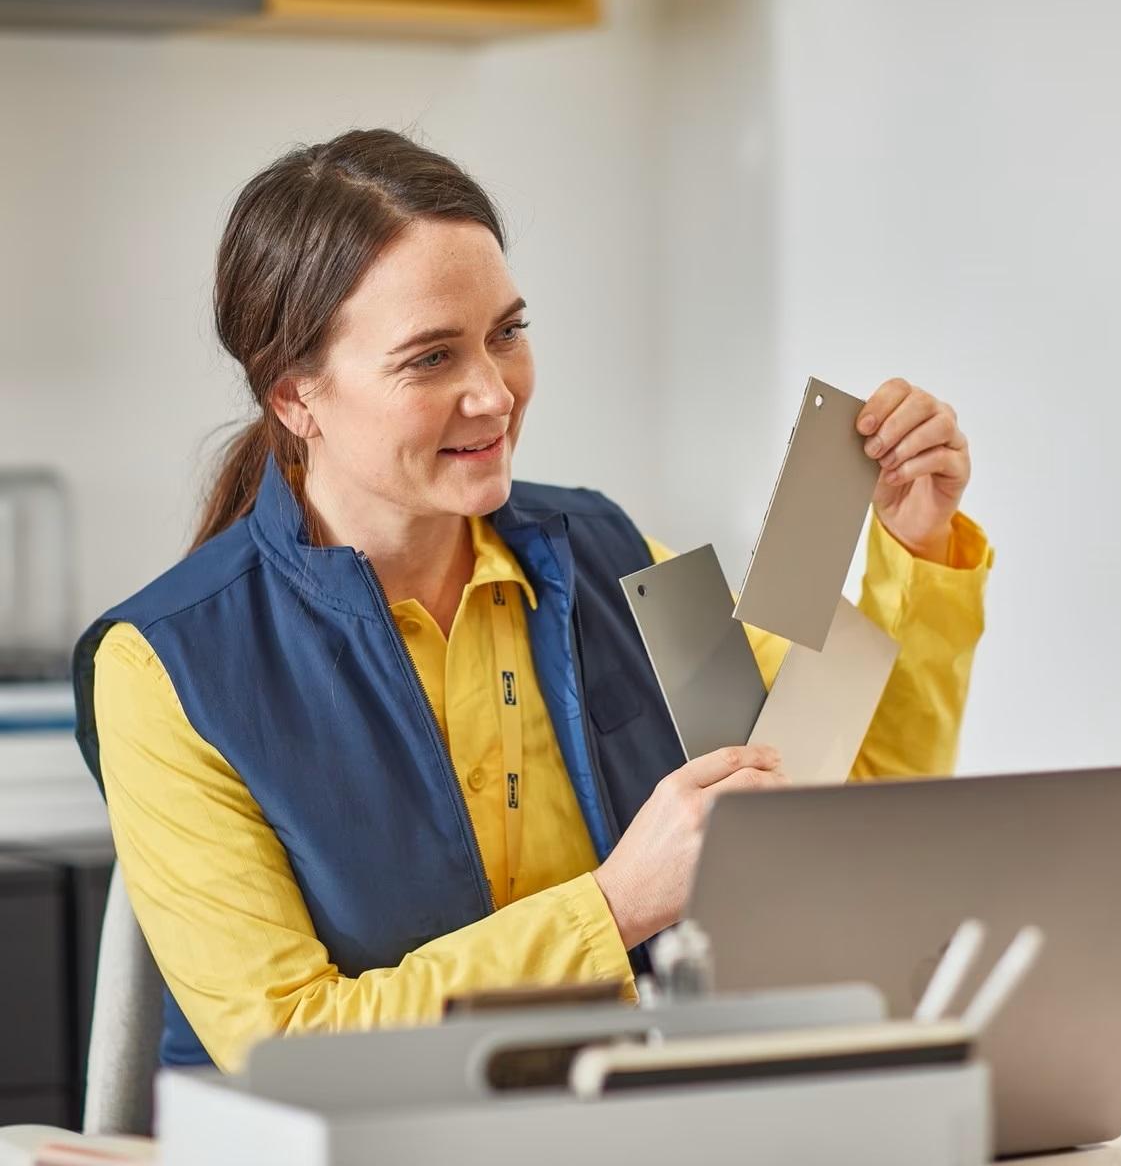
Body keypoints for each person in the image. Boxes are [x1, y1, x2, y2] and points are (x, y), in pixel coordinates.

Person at [73, 129, 994, 1073]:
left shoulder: (616, 556)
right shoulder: (164, 670)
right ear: (297, 397)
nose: (493, 394)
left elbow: (845, 815)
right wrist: (618, 905)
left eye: (506, 333)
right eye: (430, 358)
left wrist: (911, 545)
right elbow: (292, 1046)